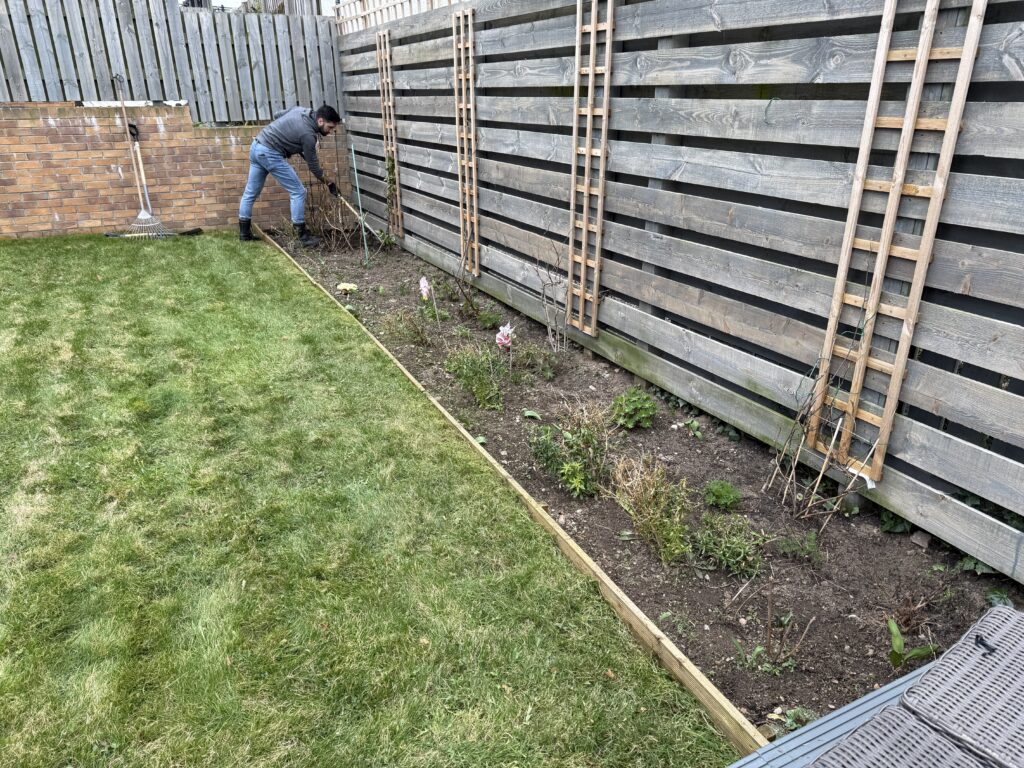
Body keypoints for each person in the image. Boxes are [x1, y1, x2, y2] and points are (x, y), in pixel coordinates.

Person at [238, 104, 341, 247]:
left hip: (257, 146)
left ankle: (244, 234)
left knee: (250, 192)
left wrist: (287, 136)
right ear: (321, 121)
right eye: (330, 128)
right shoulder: (308, 135)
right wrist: (329, 183)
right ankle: (302, 237)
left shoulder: (301, 110)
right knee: (298, 191)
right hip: (270, 153)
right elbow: (314, 167)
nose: (330, 132)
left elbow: (277, 115)